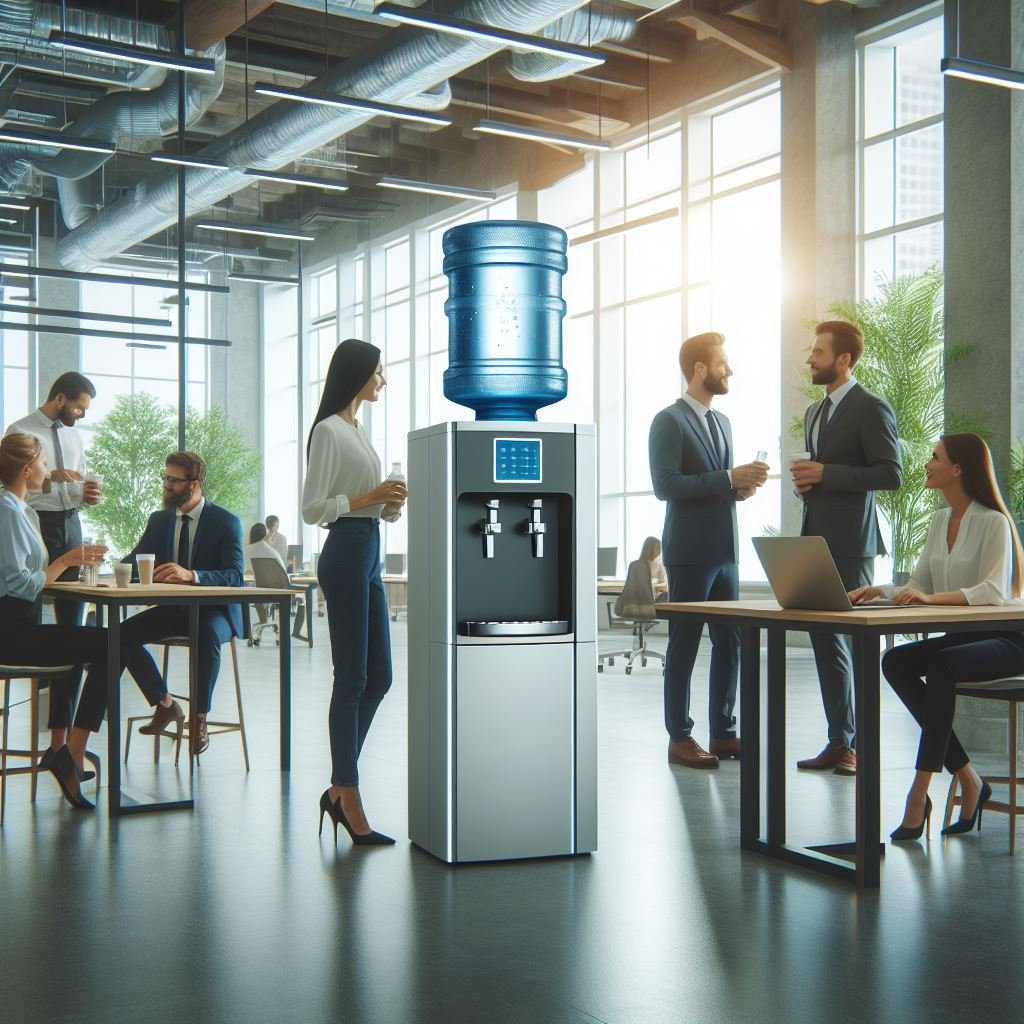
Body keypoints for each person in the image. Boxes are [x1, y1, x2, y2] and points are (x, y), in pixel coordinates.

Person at [850, 434, 1024, 840]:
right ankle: (969, 778)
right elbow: (920, 584)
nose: (927, 464)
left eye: (934, 457)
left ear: (958, 469)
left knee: (941, 664)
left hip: (1011, 642)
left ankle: (919, 793)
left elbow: (992, 591)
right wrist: (882, 592)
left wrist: (929, 597)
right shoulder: (939, 521)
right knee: (895, 661)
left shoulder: (994, 522)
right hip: (966, 639)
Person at [70, 451, 244, 757]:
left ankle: (200, 718)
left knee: (204, 633)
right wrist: (104, 570)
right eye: (165, 478)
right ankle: (164, 703)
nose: (166, 485)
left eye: (173, 480)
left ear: (195, 483)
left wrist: (192, 575)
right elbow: (136, 561)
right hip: (173, 610)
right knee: (118, 637)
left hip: (213, 612)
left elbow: (235, 575)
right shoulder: (160, 520)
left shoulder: (226, 522)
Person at [302, 339, 407, 845]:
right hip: (344, 552)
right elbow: (311, 507)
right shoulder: (327, 431)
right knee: (352, 676)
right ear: (359, 374)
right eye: (379, 373)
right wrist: (369, 498)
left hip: (369, 546)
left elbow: (359, 503)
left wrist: (385, 507)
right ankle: (348, 789)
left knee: (380, 675)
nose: (383, 380)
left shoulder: (358, 430)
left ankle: (341, 783)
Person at [649, 332, 769, 770]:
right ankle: (679, 736)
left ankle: (724, 731)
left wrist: (740, 487)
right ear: (700, 369)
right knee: (684, 644)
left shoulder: (723, 423)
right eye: (722, 363)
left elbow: (718, 484)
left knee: (729, 642)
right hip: (690, 551)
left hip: (724, 550)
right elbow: (666, 486)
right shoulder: (668, 420)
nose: (729, 371)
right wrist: (726, 479)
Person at [792, 320, 901, 776]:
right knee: (823, 644)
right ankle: (839, 741)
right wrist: (807, 487)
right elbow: (820, 473)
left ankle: (861, 747)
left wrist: (826, 474)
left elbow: (890, 474)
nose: (810, 358)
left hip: (852, 544)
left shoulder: (871, 406)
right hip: (815, 540)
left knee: (855, 645)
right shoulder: (815, 413)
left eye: (818, 351)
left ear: (844, 359)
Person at [0, 432, 107, 809]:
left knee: (106, 641)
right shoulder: (8, 513)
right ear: (28, 469)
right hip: (11, 635)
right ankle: (70, 754)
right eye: (43, 463)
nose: (47, 469)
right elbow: (21, 585)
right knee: (108, 644)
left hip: (20, 627)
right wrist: (66, 561)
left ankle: (67, 752)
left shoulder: (21, 510)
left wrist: (65, 564)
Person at [5, 371, 102, 752]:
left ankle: (61, 738)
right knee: (31, 614)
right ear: (60, 398)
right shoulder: (22, 431)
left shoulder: (76, 436)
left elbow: (75, 487)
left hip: (70, 525)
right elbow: (14, 485)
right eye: (79, 405)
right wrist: (51, 480)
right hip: (37, 525)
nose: (81, 413)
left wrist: (84, 495)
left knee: (73, 628)